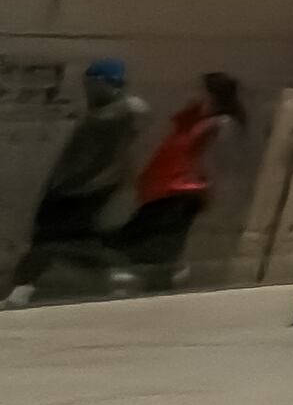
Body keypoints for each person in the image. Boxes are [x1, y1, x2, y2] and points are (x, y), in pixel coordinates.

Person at [8, 59, 146, 298]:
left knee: (51, 241)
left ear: (105, 83)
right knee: (71, 242)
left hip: (77, 190)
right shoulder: (108, 113)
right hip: (76, 189)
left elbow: (137, 108)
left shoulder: (115, 113)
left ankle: (21, 290)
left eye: (90, 83)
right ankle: (119, 273)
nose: (86, 89)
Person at [106, 73, 245, 291]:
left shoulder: (219, 124)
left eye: (200, 90)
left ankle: (157, 287)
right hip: (167, 192)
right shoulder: (194, 120)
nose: (193, 94)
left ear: (212, 94)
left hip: (180, 194)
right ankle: (155, 284)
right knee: (146, 244)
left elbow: (216, 162)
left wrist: (208, 190)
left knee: (150, 244)